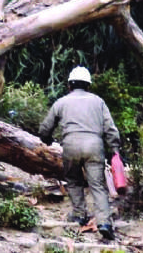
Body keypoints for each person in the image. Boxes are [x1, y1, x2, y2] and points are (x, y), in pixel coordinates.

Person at [39, 66, 121, 241]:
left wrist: (47, 140)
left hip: (70, 145)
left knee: (74, 180)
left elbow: (45, 127)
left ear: (69, 85)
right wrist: (114, 149)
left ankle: (78, 214)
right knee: (97, 186)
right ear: (88, 86)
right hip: (94, 145)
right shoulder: (98, 102)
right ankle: (104, 223)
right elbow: (110, 129)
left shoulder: (61, 102)